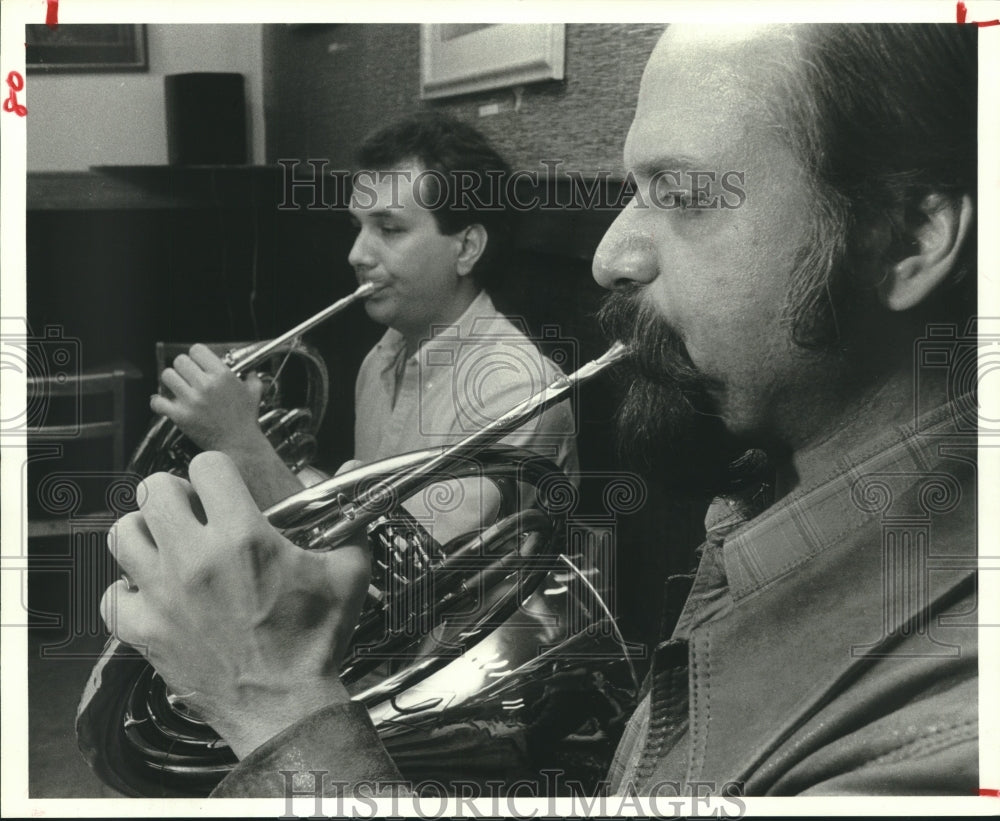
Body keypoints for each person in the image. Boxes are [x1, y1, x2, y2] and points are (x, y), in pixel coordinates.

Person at [101, 23, 979, 796]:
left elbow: (397, 590)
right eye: (633, 189)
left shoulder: (948, 728)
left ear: (907, 237)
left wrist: (278, 705)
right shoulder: (768, 478)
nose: (609, 255)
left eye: (679, 194)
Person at [150, 111, 578, 514]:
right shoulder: (380, 359)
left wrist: (241, 443)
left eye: (389, 229)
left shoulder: (516, 389)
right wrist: (258, 443)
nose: (356, 254)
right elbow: (367, 519)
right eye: (358, 228)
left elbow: (402, 580)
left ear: (466, 248)